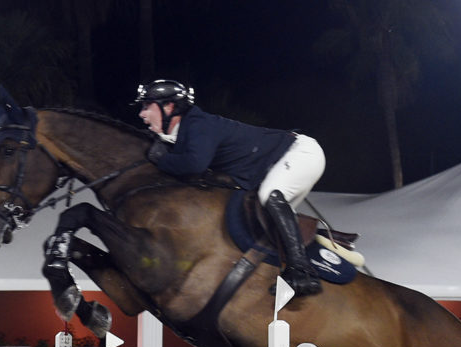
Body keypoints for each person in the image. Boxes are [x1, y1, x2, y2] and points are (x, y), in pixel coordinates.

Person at [134, 79, 326, 297]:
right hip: (279, 162)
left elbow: (194, 164)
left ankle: (302, 272)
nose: (142, 114)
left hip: (301, 153)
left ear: (168, 107)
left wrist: (162, 161)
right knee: (264, 216)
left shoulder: (198, 124)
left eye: (146, 106)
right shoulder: (182, 132)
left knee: (269, 196)